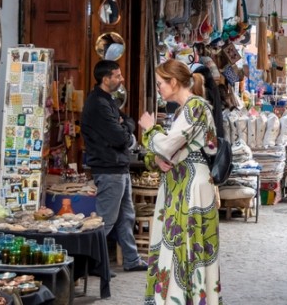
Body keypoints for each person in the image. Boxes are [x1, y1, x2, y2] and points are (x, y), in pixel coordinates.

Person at [140, 59, 221, 305]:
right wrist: (160, 159)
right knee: (179, 245)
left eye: (160, 83)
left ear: (173, 82)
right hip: (181, 182)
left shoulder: (195, 107)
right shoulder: (185, 110)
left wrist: (150, 129)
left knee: (185, 245)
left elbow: (167, 144)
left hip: (191, 185)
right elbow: (171, 151)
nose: (159, 88)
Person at [80, 60, 148, 274]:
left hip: (118, 167)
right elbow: (119, 137)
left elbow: (127, 121)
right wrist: (126, 132)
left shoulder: (107, 100)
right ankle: (93, 264)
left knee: (126, 216)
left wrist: (124, 126)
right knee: (106, 220)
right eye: (117, 76)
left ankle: (131, 259)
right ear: (105, 78)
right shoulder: (98, 104)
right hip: (109, 168)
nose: (121, 79)